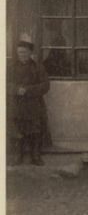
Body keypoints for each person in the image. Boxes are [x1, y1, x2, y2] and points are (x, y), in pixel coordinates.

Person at [8, 34, 50, 166]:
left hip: (34, 105)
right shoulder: (11, 67)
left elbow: (45, 85)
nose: (22, 55)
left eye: (25, 52)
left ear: (30, 53)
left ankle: (35, 156)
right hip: (17, 105)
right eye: (20, 52)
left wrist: (28, 90)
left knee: (35, 131)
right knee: (17, 130)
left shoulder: (38, 67)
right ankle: (18, 156)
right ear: (17, 53)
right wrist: (15, 89)